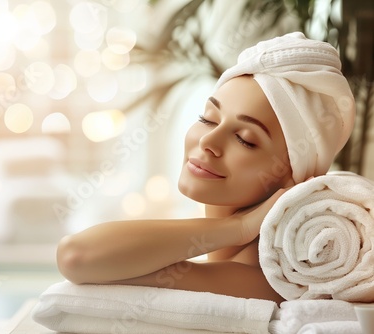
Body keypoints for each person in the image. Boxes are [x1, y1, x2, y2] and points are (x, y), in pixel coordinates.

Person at [56, 32, 356, 303]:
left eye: (245, 139)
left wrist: (239, 228)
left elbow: (77, 256)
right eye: (207, 119)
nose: (209, 140)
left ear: (291, 175)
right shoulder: (229, 262)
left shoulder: (264, 281)